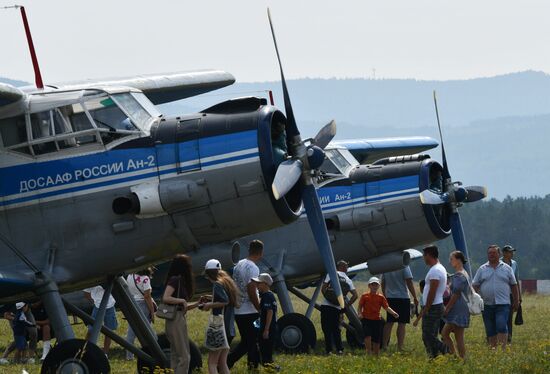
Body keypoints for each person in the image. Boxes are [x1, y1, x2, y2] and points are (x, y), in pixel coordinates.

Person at [473, 245, 519, 350]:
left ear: (499, 254)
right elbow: (475, 285)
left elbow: (514, 285)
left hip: (503, 304)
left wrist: (516, 301)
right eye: (489, 253)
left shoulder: (507, 268)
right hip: (486, 304)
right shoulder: (482, 269)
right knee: (490, 329)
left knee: (501, 325)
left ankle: (502, 350)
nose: (491, 255)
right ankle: (493, 352)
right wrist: (472, 300)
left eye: (494, 253)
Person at [228, 240, 264, 369]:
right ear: (260, 252)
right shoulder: (253, 268)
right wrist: (258, 307)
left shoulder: (239, 265)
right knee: (249, 342)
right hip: (250, 311)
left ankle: (253, 365)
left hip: (239, 310)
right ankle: (227, 362)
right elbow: (251, 289)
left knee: (250, 340)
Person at [162, 254, 199, 374]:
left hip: (177, 318)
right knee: (184, 356)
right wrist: (182, 300)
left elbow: (182, 307)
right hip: (176, 320)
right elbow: (166, 298)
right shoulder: (175, 280)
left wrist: (198, 304)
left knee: (175, 355)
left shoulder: (178, 280)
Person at [200, 259, 236, 374]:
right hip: (228, 327)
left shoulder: (217, 284)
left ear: (208, 273)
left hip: (218, 326)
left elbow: (224, 301)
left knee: (212, 363)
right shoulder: (226, 283)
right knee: (222, 362)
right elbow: (226, 300)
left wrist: (209, 305)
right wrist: (211, 298)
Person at [320, 260, 358, 355]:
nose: (348, 268)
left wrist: (328, 297)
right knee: (336, 329)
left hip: (326, 306)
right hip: (337, 308)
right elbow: (355, 295)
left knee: (326, 328)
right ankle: (339, 349)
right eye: (347, 266)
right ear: (343, 267)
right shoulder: (348, 280)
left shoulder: (331, 274)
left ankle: (329, 350)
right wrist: (345, 305)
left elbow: (323, 288)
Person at [417, 245, 449, 358]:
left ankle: (446, 349)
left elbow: (433, 291)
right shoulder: (438, 268)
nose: (424, 258)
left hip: (433, 307)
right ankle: (433, 357)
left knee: (428, 336)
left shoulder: (435, 270)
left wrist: (427, 307)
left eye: (424, 255)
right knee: (431, 334)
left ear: (429, 255)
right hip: (435, 305)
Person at [357, 277, 399, 356]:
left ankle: (376, 354)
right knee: (367, 336)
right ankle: (368, 352)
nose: (374, 286)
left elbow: (386, 307)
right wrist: (359, 313)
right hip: (366, 319)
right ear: (369, 286)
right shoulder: (364, 296)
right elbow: (360, 306)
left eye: (376, 285)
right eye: (372, 285)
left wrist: (393, 313)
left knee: (376, 338)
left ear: (378, 286)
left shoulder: (381, 297)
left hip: (376, 320)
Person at [381, 265, 418, 350]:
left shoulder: (386, 266)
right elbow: (409, 282)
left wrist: (385, 296)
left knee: (389, 322)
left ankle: (384, 346)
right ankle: (400, 347)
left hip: (390, 297)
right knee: (402, 323)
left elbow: (383, 283)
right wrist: (415, 297)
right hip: (403, 297)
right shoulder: (404, 265)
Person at [441, 251, 470, 359]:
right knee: (444, 333)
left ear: (458, 260)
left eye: (451, 259)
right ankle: (455, 356)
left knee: (459, 337)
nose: (450, 261)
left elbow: (456, 294)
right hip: (457, 307)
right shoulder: (462, 273)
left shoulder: (460, 275)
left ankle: (462, 359)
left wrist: (447, 308)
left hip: (458, 308)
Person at [125, 267, 157, 360]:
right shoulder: (145, 279)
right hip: (143, 304)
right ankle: (154, 351)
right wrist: (152, 311)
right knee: (148, 331)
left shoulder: (130, 276)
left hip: (133, 303)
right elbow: (147, 296)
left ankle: (129, 355)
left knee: (131, 331)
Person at [252, 273, 279, 370]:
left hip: (268, 329)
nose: (257, 285)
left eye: (259, 283)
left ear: (265, 284)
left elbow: (270, 312)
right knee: (265, 354)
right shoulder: (268, 295)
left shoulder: (267, 296)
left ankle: (275, 370)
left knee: (266, 356)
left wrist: (266, 330)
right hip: (269, 328)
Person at [84, 285, 118, 355]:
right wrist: (95, 301)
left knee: (108, 332)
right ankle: (85, 351)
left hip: (108, 306)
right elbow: (86, 294)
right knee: (92, 330)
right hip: (98, 306)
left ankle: (105, 353)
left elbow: (86, 295)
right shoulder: (90, 279)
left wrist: (94, 300)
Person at [501, 244, 522, 343]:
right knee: (501, 316)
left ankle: (509, 337)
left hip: (511, 294)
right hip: (501, 293)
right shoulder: (498, 263)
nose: (512, 253)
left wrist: (519, 296)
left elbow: (516, 280)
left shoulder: (514, 263)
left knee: (509, 316)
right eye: (510, 252)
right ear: (504, 253)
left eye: (512, 251)